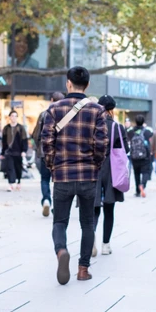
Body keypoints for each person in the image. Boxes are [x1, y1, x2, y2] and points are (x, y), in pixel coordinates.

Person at [41, 66, 108, 285]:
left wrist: (53, 166)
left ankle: (61, 252)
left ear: (68, 83)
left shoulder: (54, 109)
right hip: (88, 175)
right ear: (87, 85)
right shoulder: (97, 111)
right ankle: (83, 269)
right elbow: (101, 145)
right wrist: (95, 165)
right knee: (87, 223)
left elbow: (47, 143)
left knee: (60, 222)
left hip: (62, 175)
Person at [94, 96, 126, 255]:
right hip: (111, 171)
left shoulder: (92, 125)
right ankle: (105, 245)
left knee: (93, 208)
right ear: (112, 109)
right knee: (109, 209)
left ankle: (90, 239)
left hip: (93, 169)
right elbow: (124, 150)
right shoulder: (117, 127)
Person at [32, 92, 65, 217]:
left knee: (45, 179)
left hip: (44, 153)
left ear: (51, 100)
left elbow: (36, 135)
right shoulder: (66, 116)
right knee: (58, 181)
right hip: (60, 155)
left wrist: (38, 147)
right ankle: (57, 206)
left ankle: (46, 200)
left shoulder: (43, 114)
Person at [1, 110, 28, 192]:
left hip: (18, 151)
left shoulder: (20, 128)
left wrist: (24, 151)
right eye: (12, 116)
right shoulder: (6, 128)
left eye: (15, 116)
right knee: (10, 168)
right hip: (9, 152)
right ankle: (11, 184)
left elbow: (24, 140)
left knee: (18, 168)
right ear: (9, 117)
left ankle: (18, 181)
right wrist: (2, 152)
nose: (14, 118)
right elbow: (4, 141)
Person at [127, 114, 153, 198]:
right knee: (146, 172)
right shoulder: (147, 131)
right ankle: (142, 185)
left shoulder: (131, 132)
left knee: (136, 173)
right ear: (143, 122)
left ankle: (137, 191)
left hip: (134, 157)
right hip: (145, 156)